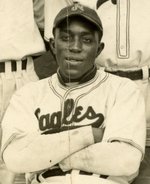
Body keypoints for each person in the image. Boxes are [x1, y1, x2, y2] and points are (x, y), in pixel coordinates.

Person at [1, 3, 146, 184]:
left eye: (86, 40)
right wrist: (90, 136)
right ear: (53, 45)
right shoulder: (28, 94)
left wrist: (48, 156)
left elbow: (126, 160)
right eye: (66, 38)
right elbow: (15, 157)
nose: (75, 47)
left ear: (99, 49)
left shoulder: (123, 90)